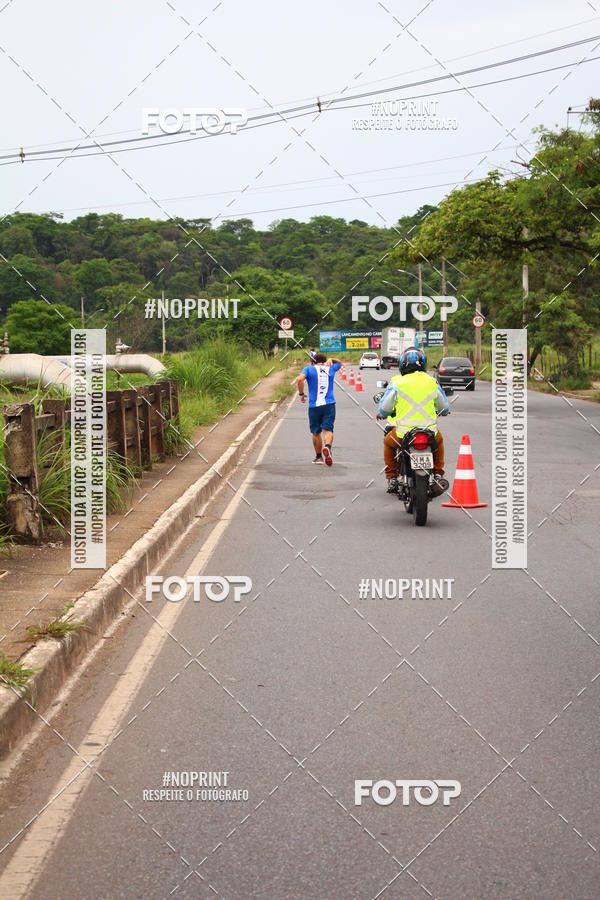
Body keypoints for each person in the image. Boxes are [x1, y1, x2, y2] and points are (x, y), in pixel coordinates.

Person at [377, 347, 450, 495]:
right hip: (429, 433)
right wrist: (443, 412)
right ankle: (437, 474)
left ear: (402, 365)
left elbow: (384, 408)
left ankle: (391, 477)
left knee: (387, 442)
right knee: (440, 441)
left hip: (403, 434)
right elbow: (445, 407)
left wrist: (383, 413)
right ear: (423, 364)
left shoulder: (398, 384)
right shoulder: (432, 382)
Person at [297, 352, 342, 465]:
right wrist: (332, 359)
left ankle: (319, 458)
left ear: (313, 362)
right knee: (328, 430)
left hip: (314, 406)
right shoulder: (330, 368)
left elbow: (299, 380)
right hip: (329, 405)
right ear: (325, 361)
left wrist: (301, 394)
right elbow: (340, 363)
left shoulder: (308, 369)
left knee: (316, 432)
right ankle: (327, 447)